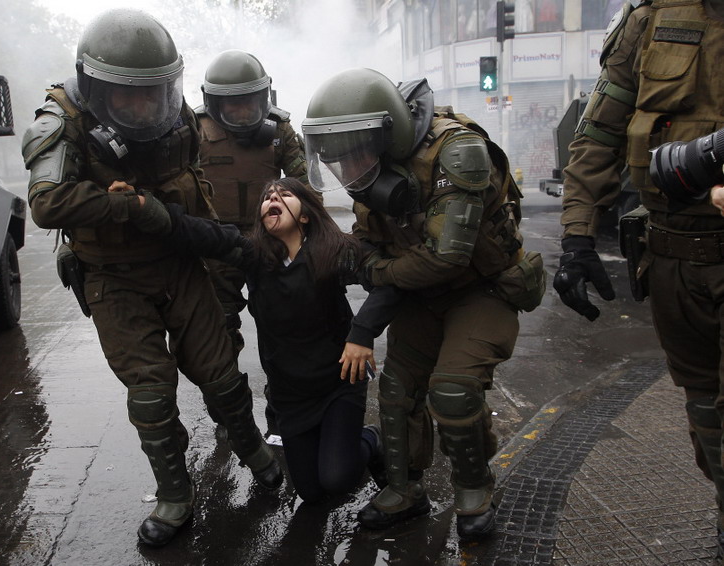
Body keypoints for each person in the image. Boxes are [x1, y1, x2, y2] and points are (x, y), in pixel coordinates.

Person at [20, 9, 282, 548]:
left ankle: (254, 450)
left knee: (221, 371)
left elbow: (194, 180)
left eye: (154, 93)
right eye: (129, 98)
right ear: (98, 88)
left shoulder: (175, 113)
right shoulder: (63, 117)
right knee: (151, 392)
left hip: (180, 263)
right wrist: (131, 210)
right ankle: (174, 494)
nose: (145, 108)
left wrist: (210, 242)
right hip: (112, 276)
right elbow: (46, 203)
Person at [302, 69, 545, 538]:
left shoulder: (458, 153)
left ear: (386, 133)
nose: (346, 166)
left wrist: (378, 272)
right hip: (421, 297)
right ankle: (405, 489)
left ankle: (474, 488)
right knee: (396, 392)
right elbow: (367, 240)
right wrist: (374, 266)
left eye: (354, 149)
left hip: (483, 289)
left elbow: (447, 257)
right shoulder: (370, 170)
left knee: (452, 391)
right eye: (338, 155)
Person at [553, 0, 724, 559]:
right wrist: (578, 239)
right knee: (706, 413)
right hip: (674, 263)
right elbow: (599, 133)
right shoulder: (649, 19)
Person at [146, 177, 392, 503]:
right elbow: (206, 234)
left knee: (337, 480)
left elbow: (388, 282)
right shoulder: (254, 256)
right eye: (267, 198)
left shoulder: (336, 250)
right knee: (312, 493)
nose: (272, 199)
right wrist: (146, 209)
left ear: (305, 215)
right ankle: (333, 442)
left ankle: (370, 440)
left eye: (284, 195)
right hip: (290, 393)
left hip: (338, 382)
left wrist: (361, 335)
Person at [196, 50, 310, 434]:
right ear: (215, 103)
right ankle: (231, 416)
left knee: (282, 328)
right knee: (218, 334)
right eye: (233, 104)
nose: (243, 111)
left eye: (250, 102)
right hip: (216, 244)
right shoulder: (193, 131)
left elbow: (303, 188)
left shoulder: (279, 130)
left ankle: (283, 413)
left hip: (269, 240)